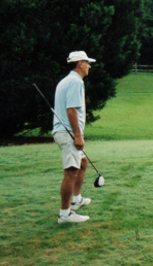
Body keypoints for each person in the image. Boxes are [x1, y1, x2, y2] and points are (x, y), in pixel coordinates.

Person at [53, 51, 96, 224]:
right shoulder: (75, 82)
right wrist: (78, 136)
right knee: (71, 171)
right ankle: (65, 214)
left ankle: (76, 200)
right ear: (79, 63)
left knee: (83, 162)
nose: (89, 66)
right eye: (87, 63)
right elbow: (71, 110)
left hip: (67, 132)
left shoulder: (68, 80)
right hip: (68, 133)